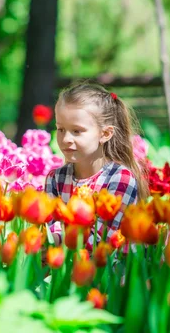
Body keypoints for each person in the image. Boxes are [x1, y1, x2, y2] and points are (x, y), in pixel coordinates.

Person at [45, 82, 149, 247]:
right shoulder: (56, 179)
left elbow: (105, 237)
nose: (65, 139)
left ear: (105, 134)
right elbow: (51, 225)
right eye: (60, 129)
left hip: (113, 268)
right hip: (67, 264)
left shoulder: (120, 178)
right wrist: (46, 241)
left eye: (77, 131)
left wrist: (58, 243)